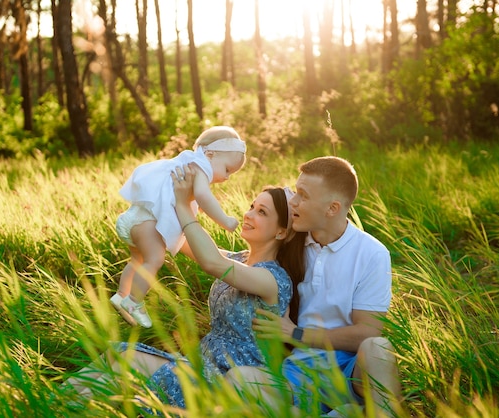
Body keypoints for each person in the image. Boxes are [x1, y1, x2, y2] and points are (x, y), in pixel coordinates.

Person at [64, 164, 307, 409]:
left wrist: (183, 207)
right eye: (252, 206)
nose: (249, 214)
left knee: (120, 369)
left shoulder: (273, 279)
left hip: (225, 378)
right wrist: (170, 199)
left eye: (262, 212)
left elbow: (212, 262)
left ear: (281, 233)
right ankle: (46, 405)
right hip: (201, 363)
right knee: (115, 355)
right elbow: (179, 242)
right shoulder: (239, 259)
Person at [225, 156, 402, 417]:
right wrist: (179, 237)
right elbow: (241, 260)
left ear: (332, 208)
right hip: (296, 378)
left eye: (303, 196)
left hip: (350, 375)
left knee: (379, 349)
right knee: (239, 380)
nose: (293, 202)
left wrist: (297, 334)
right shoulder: (291, 240)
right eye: (296, 192)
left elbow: (368, 332)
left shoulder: (372, 253)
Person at [111, 126, 247, 328]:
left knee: (138, 259)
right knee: (154, 259)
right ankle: (133, 302)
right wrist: (225, 220)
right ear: (210, 154)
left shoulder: (186, 162)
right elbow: (203, 196)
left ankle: (121, 294)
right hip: (147, 222)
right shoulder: (200, 167)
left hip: (137, 217)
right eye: (227, 169)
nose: (227, 177)